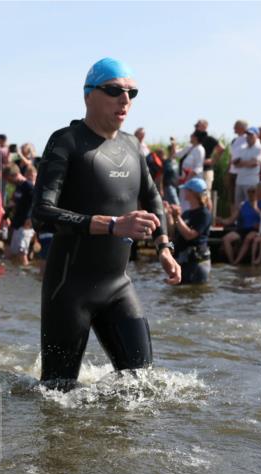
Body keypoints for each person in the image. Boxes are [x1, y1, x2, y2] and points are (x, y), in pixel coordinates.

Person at [31, 57, 180, 388]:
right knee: (57, 393)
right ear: (88, 95)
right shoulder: (66, 141)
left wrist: (164, 248)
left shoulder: (132, 145)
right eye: (114, 90)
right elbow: (42, 213)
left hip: (118, 286)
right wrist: (112, 225)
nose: (124, 99)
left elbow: (153, 199)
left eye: (131, 92)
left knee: (143, 385)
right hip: (69, 290)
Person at [166, 177, 211, 284]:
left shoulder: (204, 214)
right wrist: (169, 215)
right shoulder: (186, 213)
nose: (184, 192)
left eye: (186, 190)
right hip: (183, 260)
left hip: (197, 263)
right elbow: (173, 233)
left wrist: (177, 217)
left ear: (193, 193)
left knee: (195, 291)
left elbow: (189, 235)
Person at [221, 185, 261, 265]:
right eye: (249, 192)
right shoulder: (243, 205)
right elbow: (231, 220)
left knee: (248, 238)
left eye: (253, 192)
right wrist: (221, 220)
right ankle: (231, 261)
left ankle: (237, 261)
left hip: (255, 229)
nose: (251, 194)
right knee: (226, 239)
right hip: (242, 229)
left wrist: (256, 208)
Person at [5, 165, 36, 265]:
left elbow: (35, 203)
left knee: (22, 253)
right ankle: (16, 273)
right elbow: (12, 203)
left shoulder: (29, 186)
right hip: (17, 224)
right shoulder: (19, 187)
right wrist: (6, 217)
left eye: (9, 179)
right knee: (14, 253)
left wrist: (30, 218)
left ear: (15, 175)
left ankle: (25, 272)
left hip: (26, 224)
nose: (9, 182)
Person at [174, 132, 205, 211]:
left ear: (196, 138)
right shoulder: (189, 147)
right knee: (183, 199)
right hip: (184, 179)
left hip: (192, 180)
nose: (190, 137)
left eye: (192, 136)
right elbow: (177, 154)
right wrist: (174, 144)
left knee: (190, 201)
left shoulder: (200, 149)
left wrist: (187, 178)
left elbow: (199, 167)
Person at [225, 120, 249, 209]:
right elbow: (231, 156)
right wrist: (228, 171)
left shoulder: (247, 139)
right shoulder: (235, 140)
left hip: (242, 173)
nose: (234, 128)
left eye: (236, 126)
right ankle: (233, 216)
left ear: (242, 127)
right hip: (232, 171)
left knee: (242, 198)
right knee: (232, 198)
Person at [194, 119, 223, 192]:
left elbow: (221, 148)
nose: (196, 127)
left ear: (205, 126)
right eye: (196, 125)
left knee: (205, 192)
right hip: (195, 170)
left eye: (198, 125)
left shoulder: (209, 139)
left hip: (206, 170)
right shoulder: (195, 139)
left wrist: (213, 160)